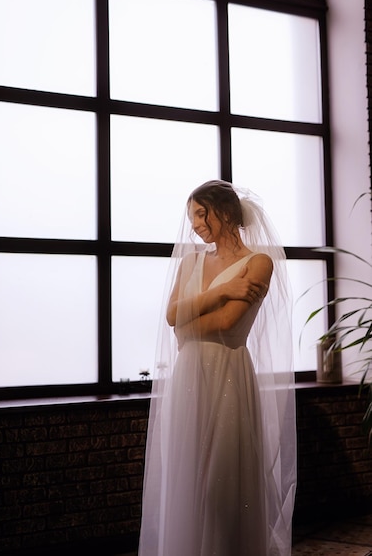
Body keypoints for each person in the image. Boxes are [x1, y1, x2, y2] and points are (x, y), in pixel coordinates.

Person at [138, 180, 296, 556]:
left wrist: (188, 323)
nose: (193, 224)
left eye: (199, 213)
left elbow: (227, 324)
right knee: (187, 479)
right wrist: (221, 292)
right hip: (188, 376)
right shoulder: (192, 260)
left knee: (221, 488)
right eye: (191, 215)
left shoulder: (258, 262)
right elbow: (172, 315)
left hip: (227, 374)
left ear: (223, 213)